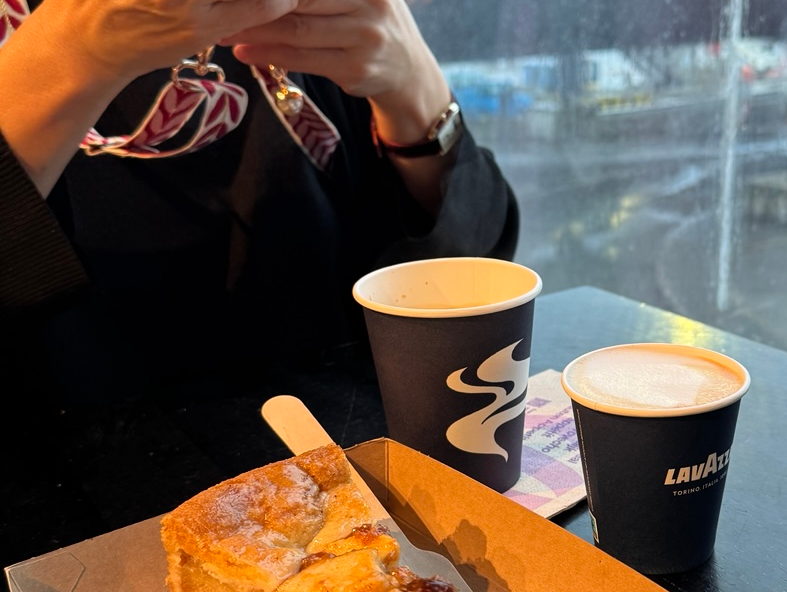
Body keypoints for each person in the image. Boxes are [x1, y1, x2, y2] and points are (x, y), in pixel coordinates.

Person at [0, 0, 519, 408]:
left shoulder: (306, 21)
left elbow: (475, 284)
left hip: (355, 456)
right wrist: (67, 57)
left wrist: (413, 86)